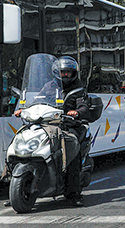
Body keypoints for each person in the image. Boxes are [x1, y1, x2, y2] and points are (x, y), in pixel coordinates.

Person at [14, 56, 91, 206]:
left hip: (68, 125)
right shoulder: (49, 86)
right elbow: (37, 100)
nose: (65, 76)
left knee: (71, 146)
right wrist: (24, 109)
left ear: (74, 73)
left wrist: (76, 112)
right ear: (56, 72)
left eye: (68, 73)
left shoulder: (78, 88)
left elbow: (83, 105)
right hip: (47, 123)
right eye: (62, 73)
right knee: (21, 137)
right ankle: (12, 183)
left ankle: (74, 194)